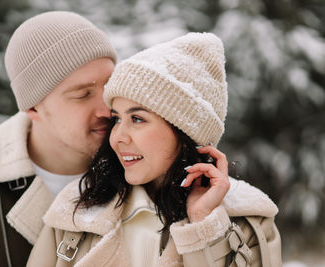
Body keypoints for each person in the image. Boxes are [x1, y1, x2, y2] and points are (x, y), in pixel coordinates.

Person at [27, 33, 282, 266]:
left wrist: (204, 227)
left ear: (185, 132)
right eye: (116, 119)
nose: (117, 138)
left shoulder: (248, 222)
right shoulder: (75, 212)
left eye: (137, 119)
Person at [0, 11, 117, 267]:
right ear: (33, 108)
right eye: (83, 95)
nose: (107, 108)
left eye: (111, 83)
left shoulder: (149, 165)